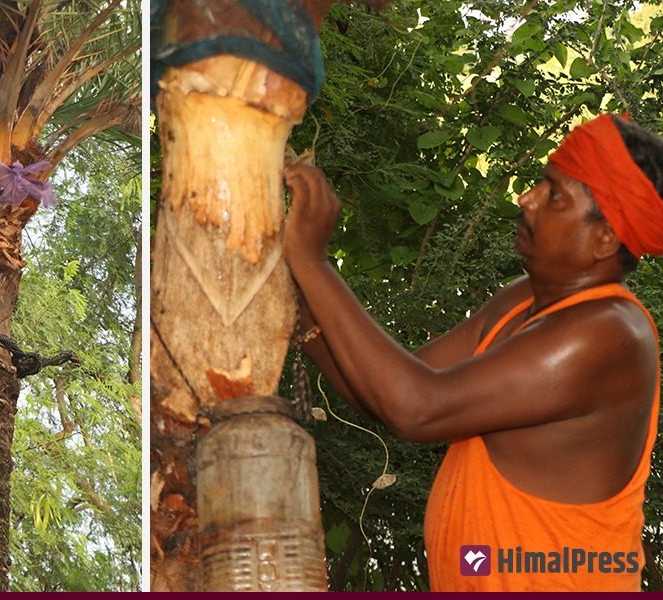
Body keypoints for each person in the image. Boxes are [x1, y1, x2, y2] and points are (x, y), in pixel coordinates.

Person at [282, 114, 663, 591]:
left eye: (554, 194)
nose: (527, 199)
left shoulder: (606, 333)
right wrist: (305, 322)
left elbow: (417, 409)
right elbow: (384, 392)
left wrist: (313, 261)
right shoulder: (524, 298)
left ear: (605, 238)